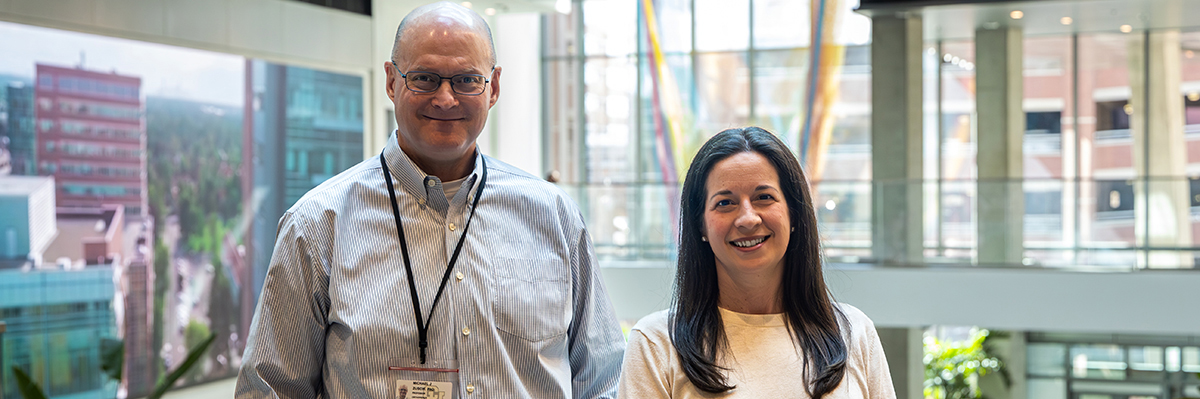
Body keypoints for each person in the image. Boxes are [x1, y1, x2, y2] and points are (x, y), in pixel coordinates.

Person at [235, 2, 625, 398]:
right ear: (391, 81)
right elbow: (269, 391)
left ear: (494, 87)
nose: (445, 99)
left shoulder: (553, 215)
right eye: (424, 78)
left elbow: (604, 381)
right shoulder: (319, 225)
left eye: (467, 80)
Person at [617, 127, 896, 398]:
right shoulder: (656, 344)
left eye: (764, 197)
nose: (748, 218)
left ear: (794, 214)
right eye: (725, 203)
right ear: (700, 225)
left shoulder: (855, 333)